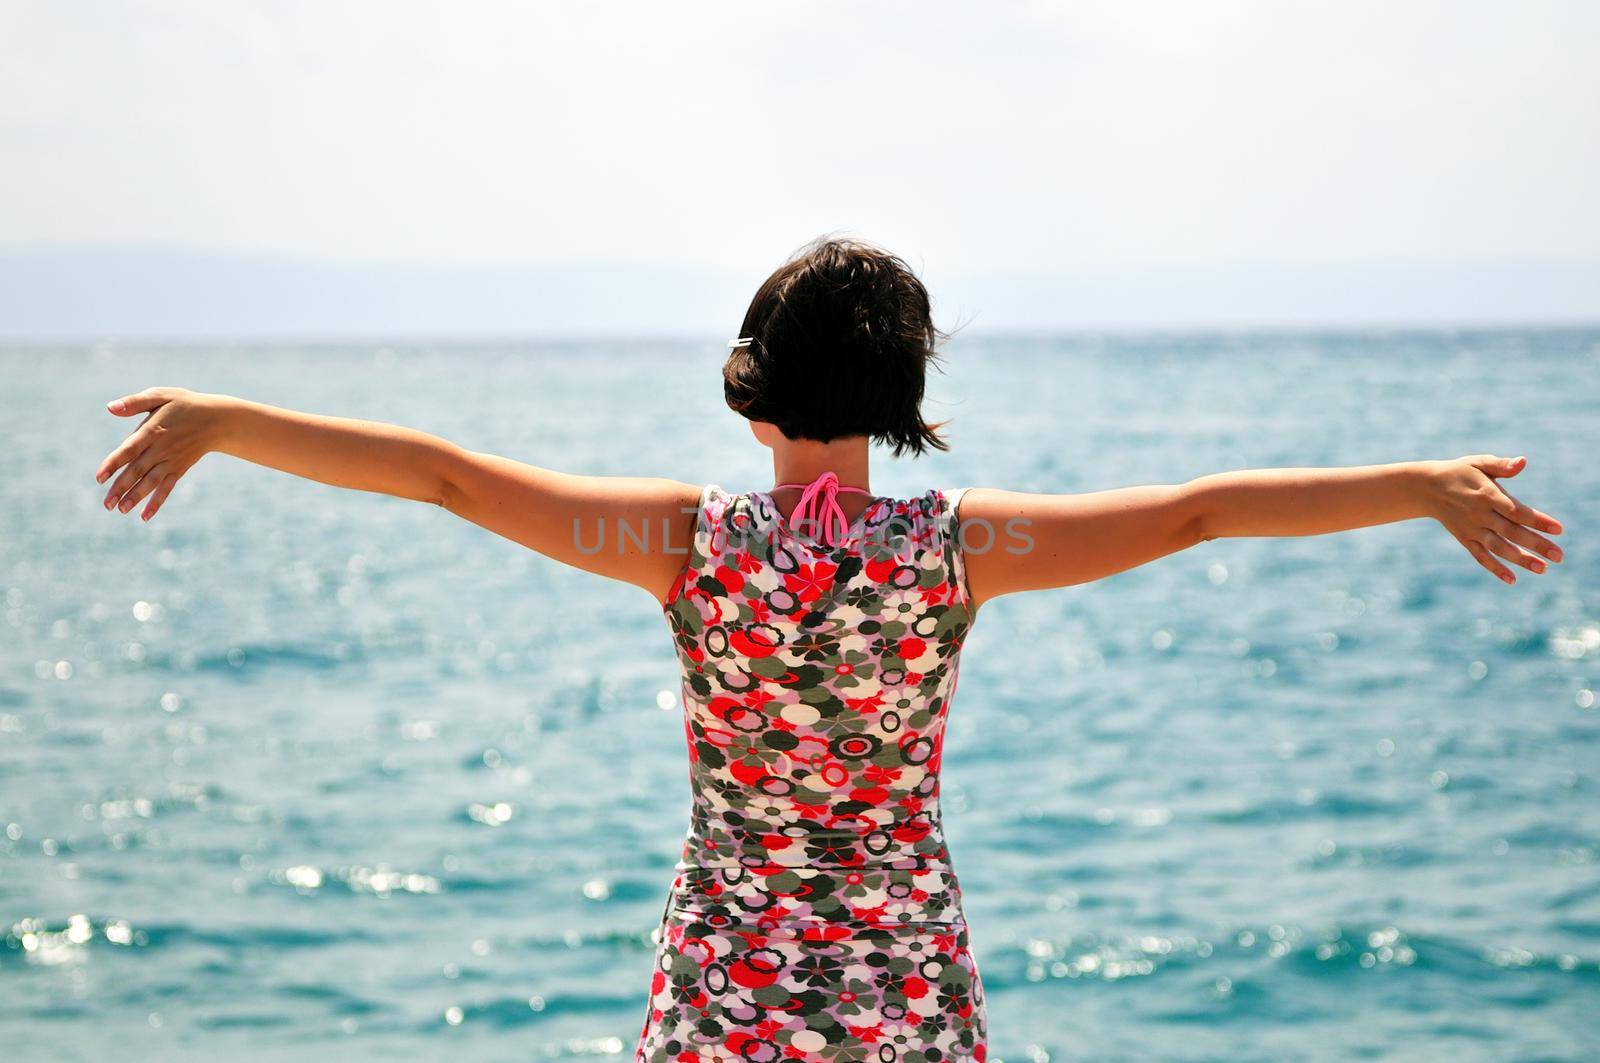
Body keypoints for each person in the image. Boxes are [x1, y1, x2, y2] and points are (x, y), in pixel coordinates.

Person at [93, 237, 1564, 1061]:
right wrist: (1420, 486)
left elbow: (447, 476)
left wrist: (228, 422)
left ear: (752, 394)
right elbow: (1195, 515)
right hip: (907, 973)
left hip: (730, 970)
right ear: (897, 400)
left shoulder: (685, 544)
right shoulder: (957, 554)